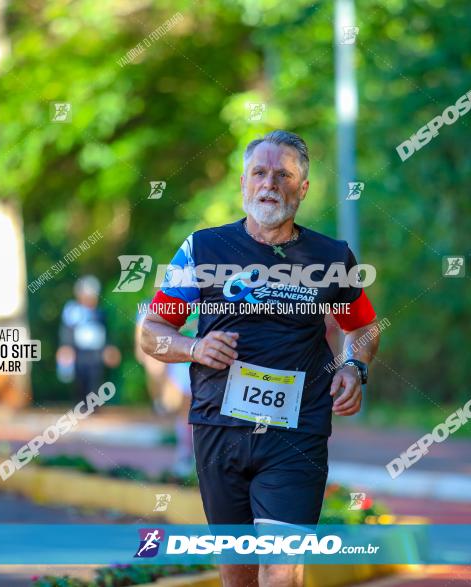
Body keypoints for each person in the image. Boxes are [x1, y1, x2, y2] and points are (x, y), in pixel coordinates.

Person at [139, 130, 380, 587]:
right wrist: (194, 348)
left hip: (297, 432)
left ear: (302, 188)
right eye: (259, 173)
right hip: (218, 429)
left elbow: (364, 327)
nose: (270, 184)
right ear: (244, 182)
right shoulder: (203, 249)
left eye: (284, 175)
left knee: (280, 569)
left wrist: (354, 365)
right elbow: (153, 333)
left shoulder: (329, 256)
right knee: (238, 573)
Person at [135, 302, 197, 477]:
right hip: (182, 361)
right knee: (184, 408)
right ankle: (185, 453)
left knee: (193, 409)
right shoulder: (181, 299)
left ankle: (191, 454)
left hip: (204, 363)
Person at [56, 276, 121, 402]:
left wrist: (110, 348)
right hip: (78, 352)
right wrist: (65, 347)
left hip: (96, 353)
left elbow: (106, 332)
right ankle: (80, 406)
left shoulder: (100, 312)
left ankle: (93, 407)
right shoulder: (72, 311)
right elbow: (67, 331)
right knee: (80, 380)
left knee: (95, 379)